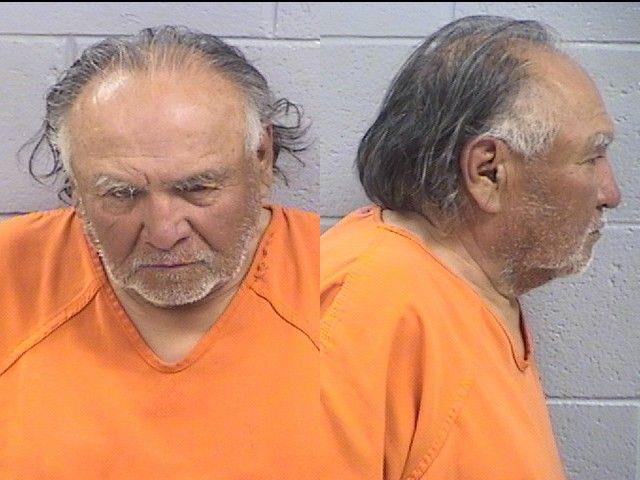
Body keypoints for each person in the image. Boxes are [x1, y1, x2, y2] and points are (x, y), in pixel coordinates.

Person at [0, 26, 319, 478]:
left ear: (262, 157)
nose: (164, 232)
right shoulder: (12, 274)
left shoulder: (340, 283)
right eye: (121, 193)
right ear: (75, 184)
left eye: (198, 188)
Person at [320, 16, 621, 480]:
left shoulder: (474, 286)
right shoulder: (368, 306)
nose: (610, 193)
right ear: (488, 172)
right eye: (591, 157)